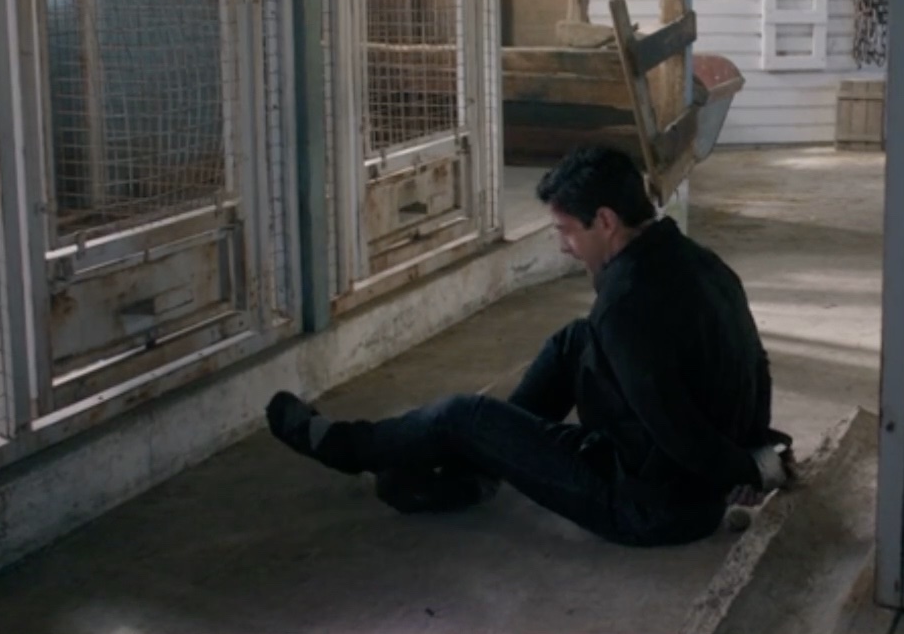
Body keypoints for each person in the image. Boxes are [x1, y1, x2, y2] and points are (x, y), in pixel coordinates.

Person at [265, 145, 794, 546]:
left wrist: (750, 471)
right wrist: (755, 446)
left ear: (605, 221)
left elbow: (674, 428)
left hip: (648, 508)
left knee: (464, 415)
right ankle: (476, 473)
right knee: (574, 340)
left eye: (566, 231)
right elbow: (757, 367)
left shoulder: (626, 305)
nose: (564, 247)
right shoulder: (702, 263)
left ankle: (345, 446)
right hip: (679, 482)